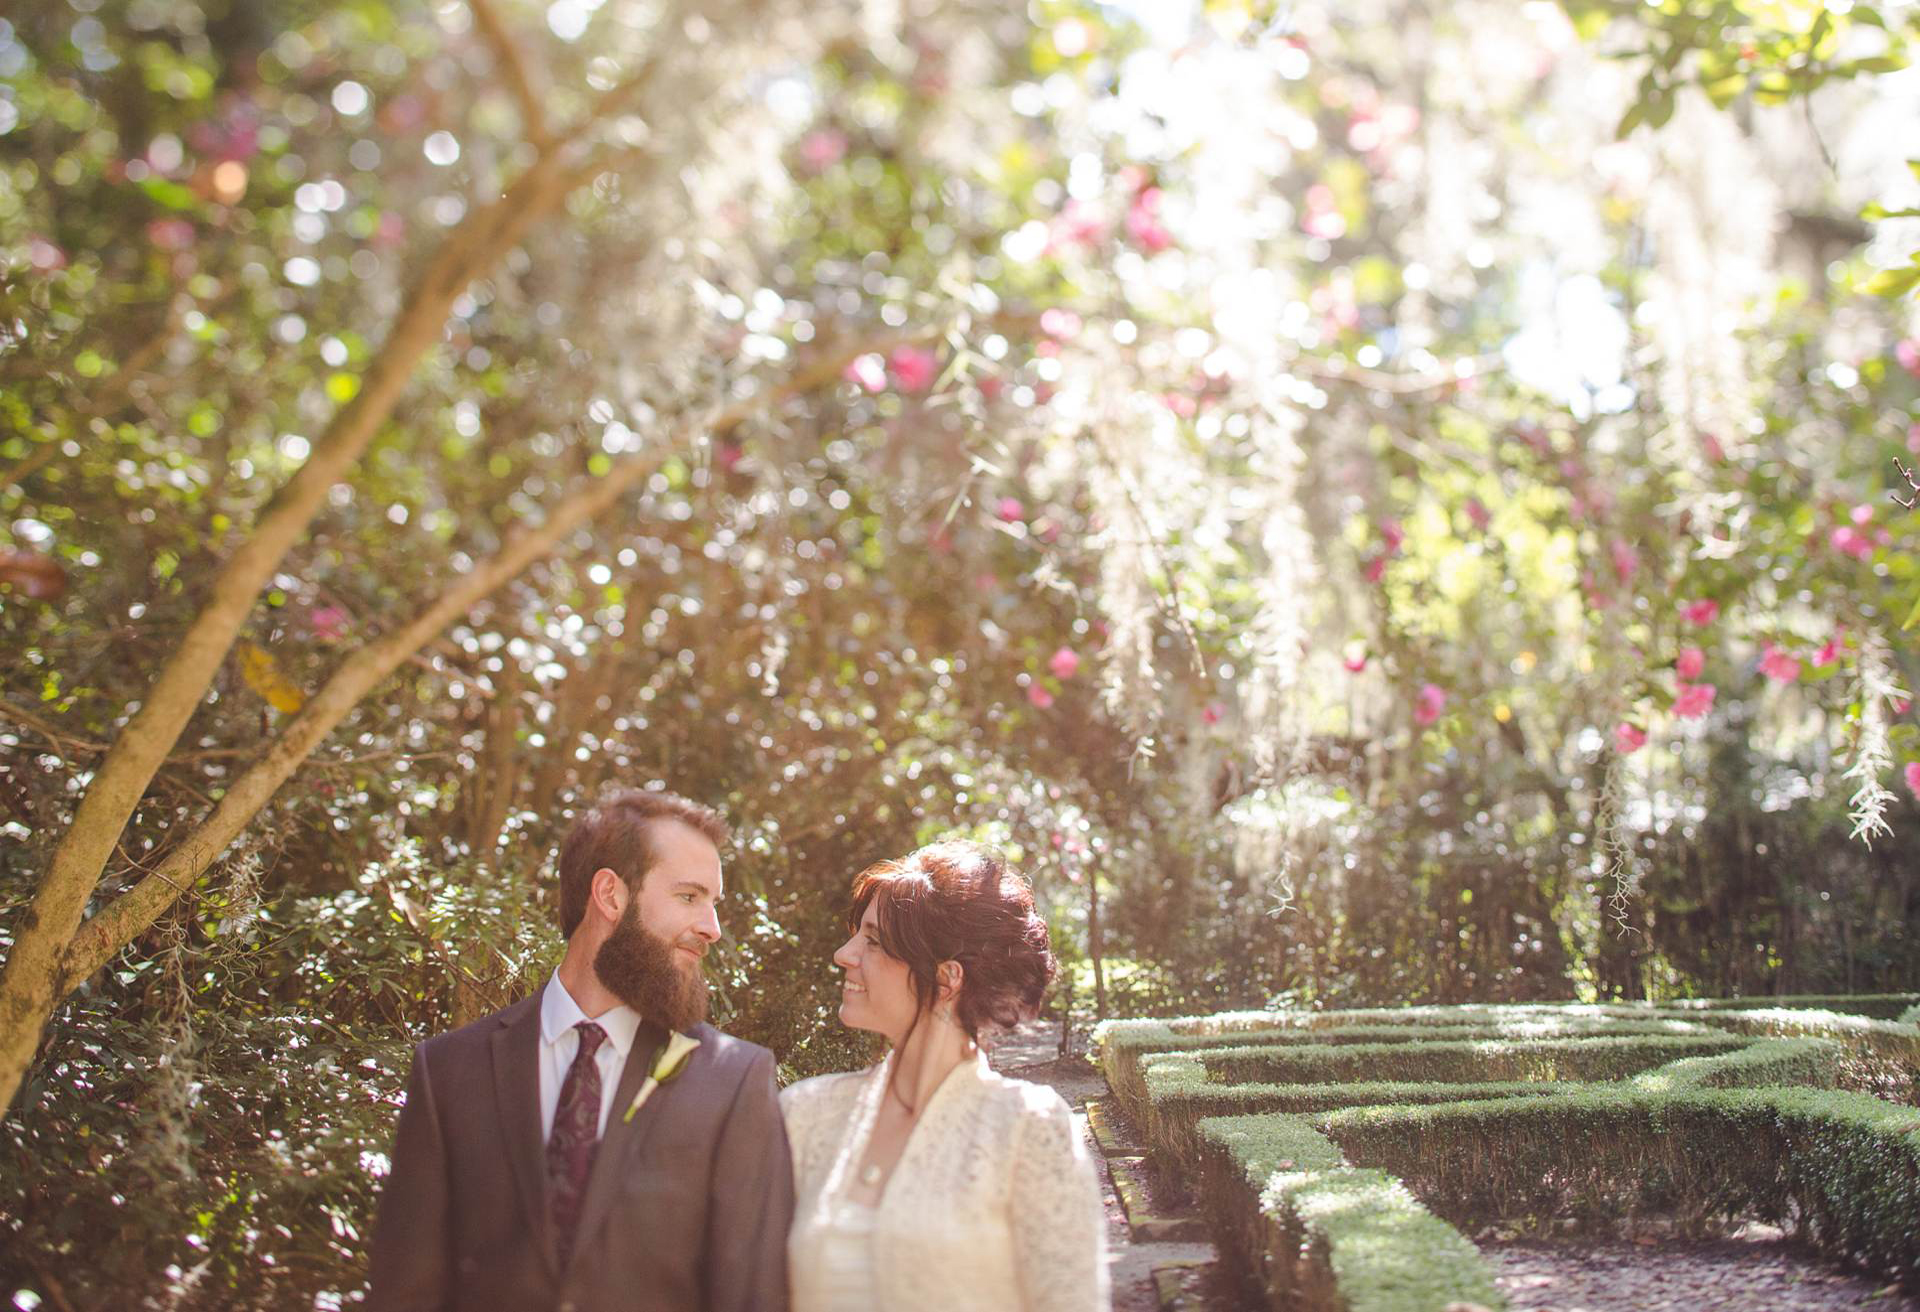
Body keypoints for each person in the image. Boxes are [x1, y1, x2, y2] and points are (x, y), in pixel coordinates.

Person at [365, 787, 794, 1312]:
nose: (712, 927)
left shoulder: (733, 1079)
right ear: (610, 895)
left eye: (713, 902)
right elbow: (403, 1293)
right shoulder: (449, 1071)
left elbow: (750, 1296)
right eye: (689, 896)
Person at [779, 839, 1110, 1310]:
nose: (844, 954)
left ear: (947, 979)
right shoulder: (806, 1113)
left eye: (872, 941)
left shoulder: (1028, 1129)